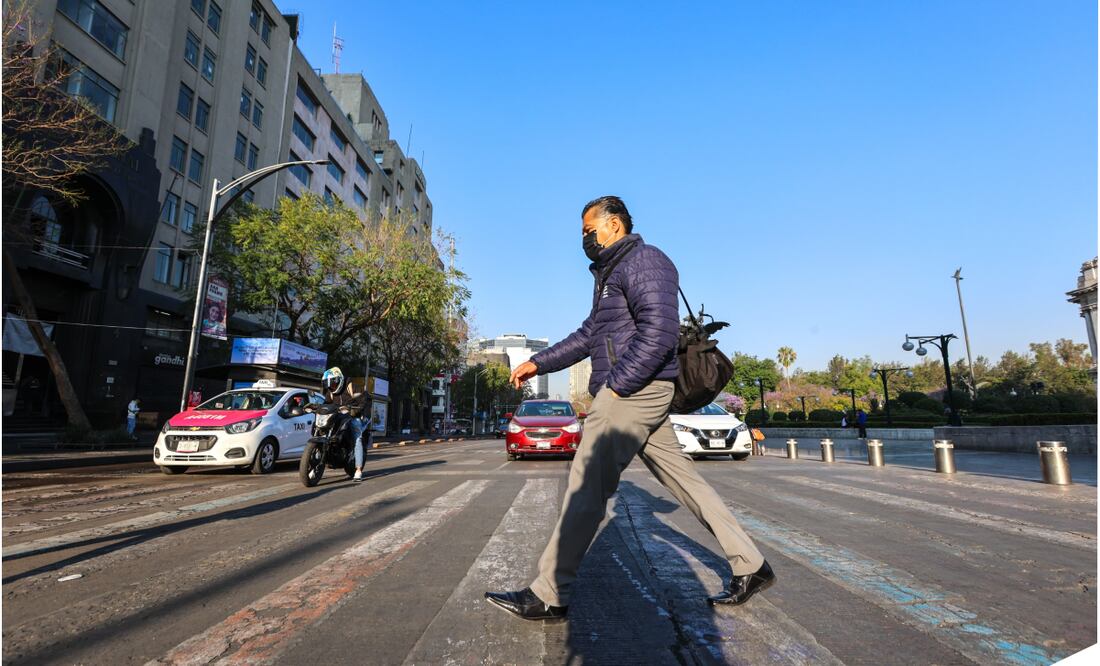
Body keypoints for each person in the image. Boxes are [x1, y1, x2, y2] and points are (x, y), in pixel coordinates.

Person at [485, 196, 774, 621]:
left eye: (589, 230)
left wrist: (618, 388)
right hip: (638, 389)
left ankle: (550, 593)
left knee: (586, 483)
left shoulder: (645, 261)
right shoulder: (611, 272)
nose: (585, 239)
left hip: (634, 390)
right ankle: (752, 565)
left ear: (614, 225)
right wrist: (539, 363)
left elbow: (660, 333)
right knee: (687, 482)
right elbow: (589, 335)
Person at [320, 367, 368, 482]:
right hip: (337, 416)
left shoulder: (352, 386)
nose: (331, 387)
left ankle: (358, 470)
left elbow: (364, 398)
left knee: (357, 437)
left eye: (333, 384)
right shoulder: (330, 392)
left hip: (352, 416)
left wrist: (357, 410)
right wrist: (317, 407)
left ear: (339, 380)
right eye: (328, 385)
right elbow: (326, 403)